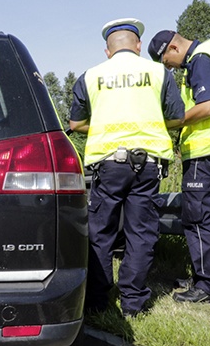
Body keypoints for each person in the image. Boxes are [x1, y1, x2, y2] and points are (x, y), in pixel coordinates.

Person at [69, 18, 184, 317]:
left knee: (101, 232)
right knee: (141, 233)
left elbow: (75, 123)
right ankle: (133, 304)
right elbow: (176, 117)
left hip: (108, 165)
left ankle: (96, 302)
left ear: (108, 51)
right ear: (138, 46)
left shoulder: (91, 76)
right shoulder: (159, 72)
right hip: (147, 165)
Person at [147, 30, 210, 303]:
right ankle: (203, 276)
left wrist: (173, 122)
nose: (170, 67)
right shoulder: (209, 53)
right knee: (198, 214)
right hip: (209, 147)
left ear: (174, 47)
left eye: (167, 61)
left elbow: (207, 107)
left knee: (198, 217)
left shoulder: (201, 59)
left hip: (206, 147)